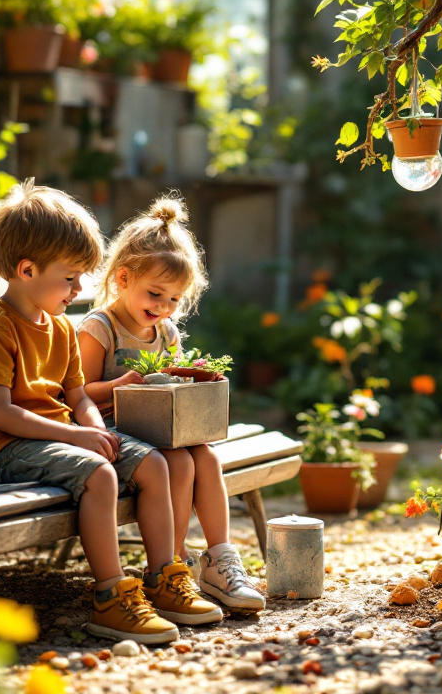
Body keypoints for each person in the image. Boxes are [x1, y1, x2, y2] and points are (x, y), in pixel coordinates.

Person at [0, 181, 222, 644]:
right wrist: (79, 439)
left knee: (153, 463)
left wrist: (98, 431)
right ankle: (110, 597)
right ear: (26, 269)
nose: (80, 289)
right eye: (71, 277)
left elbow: (78, 398)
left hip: (54, 437)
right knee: (100, 475)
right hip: (2, 447)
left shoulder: (58, 326)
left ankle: (164, 578)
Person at [78, 194, 266, 612]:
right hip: (110, 432)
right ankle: (170, 568)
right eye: (155, 294)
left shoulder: (166, 333)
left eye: (174, 300)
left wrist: (195, 382)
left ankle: (219, 558)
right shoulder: (99, 328)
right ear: (123, 279)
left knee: (206, 458)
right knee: (180, 464)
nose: (162, 308)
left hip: (158, 430)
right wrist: (121, 385)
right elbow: (74, 393)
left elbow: (170, 385)